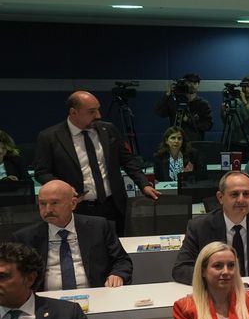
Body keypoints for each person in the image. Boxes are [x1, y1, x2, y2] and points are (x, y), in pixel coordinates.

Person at [34, 90, 160, 233]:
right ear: (73, 112)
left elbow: (127, 160)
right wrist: (64, 188)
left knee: (117, 243)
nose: (98, 115)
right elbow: (42, 172)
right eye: (92, 112)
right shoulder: (50, 137)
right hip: (78, 208)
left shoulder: (108, 129)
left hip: (113, 205)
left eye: (98, 110)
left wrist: (144, 184)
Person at [172, 171, 249, 286]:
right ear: (220, 197)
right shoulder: (199, 226)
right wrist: (212, 276)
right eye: (234, 194)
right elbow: (181, 269)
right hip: (216, 292)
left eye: (246, 194)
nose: (241, 200)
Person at [13, 180, 132, 289]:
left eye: (55, 203)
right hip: (46, 300)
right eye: (42, 204)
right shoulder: (25, 238)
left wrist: (117, 274)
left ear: (73, 204)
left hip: (96, 295)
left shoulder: (98, 227)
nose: (48, 210)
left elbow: (121, 260)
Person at [153, 73, 213, 141]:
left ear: (198, 85)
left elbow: (207, 125)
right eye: (189, 83)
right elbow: (159, 112)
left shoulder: (203, 104)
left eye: (195, 83)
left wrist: (188, 120)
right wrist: (167, 94)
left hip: (194, 143)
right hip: (176, 142)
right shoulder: (174, 102)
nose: (192, 85)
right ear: (184, 84)